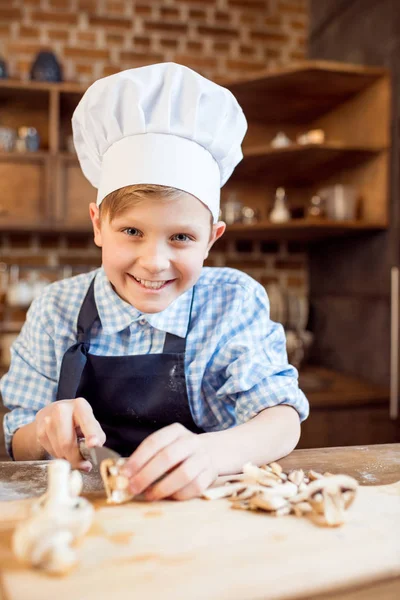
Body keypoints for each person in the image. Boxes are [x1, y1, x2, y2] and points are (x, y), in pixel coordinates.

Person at [0, 63, 309, 501]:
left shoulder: (232, 302)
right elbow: (17, 440)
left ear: (211, 239)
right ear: (98, 225)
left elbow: (281, 419)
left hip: (207, 515)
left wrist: (212, 453)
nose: (154, 262)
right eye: (131, 232)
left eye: (181, 237)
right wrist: (43, 432)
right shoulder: (56, 310)